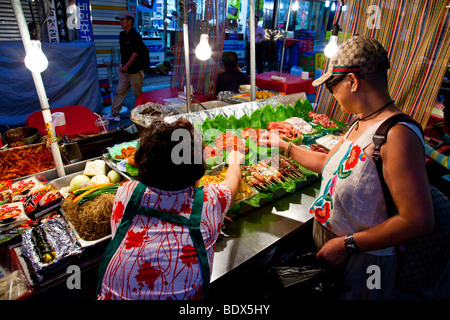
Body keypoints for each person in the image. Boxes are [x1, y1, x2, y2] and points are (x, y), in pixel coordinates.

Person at [259, 35, 434, 300]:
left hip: (366, 262)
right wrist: (284, 146)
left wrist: (346, 245)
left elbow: (418, 220)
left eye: (332, 86)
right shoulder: (360, 123)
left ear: (352, 81)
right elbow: (327, 163)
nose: (331, 94)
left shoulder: (397, 135)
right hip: (336, 249)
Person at [97, 118, 244, 300]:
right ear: (198, 168)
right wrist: (235, 159)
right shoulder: (210, 202)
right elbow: (233, 180)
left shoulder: (125, 193)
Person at [107, 11, 146, 122]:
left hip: (135, 71)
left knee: (137, 94)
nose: (120, 22)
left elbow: (136, 52)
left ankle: (143, 115)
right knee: (119, 92)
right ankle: (114, 114)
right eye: (120, 20)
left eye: (122, 20)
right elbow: (123, 52)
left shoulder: (136, 35)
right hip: (124, 71)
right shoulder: (122, 35)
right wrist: (122, 66)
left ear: (129, 21)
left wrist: (127, 65)